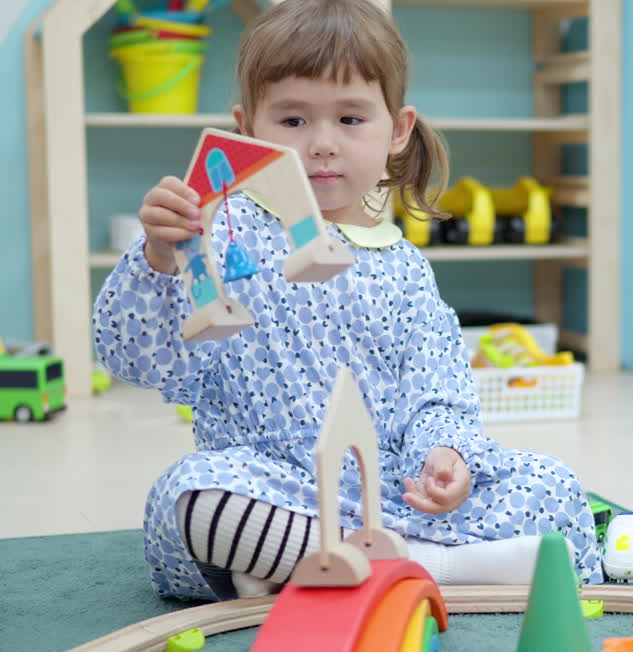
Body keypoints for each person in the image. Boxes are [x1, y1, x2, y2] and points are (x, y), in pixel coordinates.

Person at [93, 0, 603, 601]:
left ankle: (316, 568)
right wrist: (155, 257)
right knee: (193, 496)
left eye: (351, 119)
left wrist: (445, 455)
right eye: (293, 121)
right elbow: (135, 360)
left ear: (398, 130)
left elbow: (437, 388)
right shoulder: (215, 230)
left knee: (553, 485)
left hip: (388, 490)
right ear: (244, 132)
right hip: (272, 483)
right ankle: (425, 569)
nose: (322, 145)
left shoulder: (406, 268)